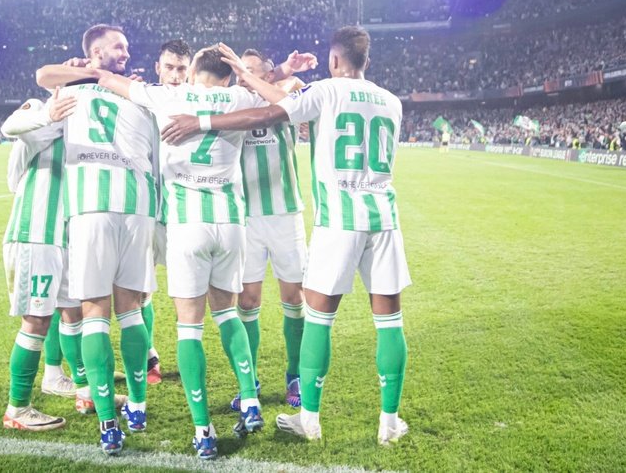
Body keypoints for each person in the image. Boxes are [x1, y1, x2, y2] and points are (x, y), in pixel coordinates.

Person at [161, 26, 412, 446]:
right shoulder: (392, 102)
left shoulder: (326, 90)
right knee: (389, 322)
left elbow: (267, 112)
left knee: (317, 317)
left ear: (334, 61)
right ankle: (390, 422)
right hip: (385, 218)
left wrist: (201, 120)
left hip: (338, 219)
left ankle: (309, 419)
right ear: (365, 60)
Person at [56, 43, 291, 459]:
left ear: (194, 68)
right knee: (228, 314)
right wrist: (252, 72)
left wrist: (86, 67)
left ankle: (201, 430)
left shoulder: (170, 95)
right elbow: (281, 101)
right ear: (228, 73)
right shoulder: (239, 96)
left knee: (187, 328)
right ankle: (250, 398)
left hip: (186, 223)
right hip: (231, 222)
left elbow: (108, 81)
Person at [33, 24, 157, 455]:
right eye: (119, 46)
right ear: (96, 51)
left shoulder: (70, 93)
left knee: (94, 313)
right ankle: (137, 405)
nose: (126, 52)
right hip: (138, 204)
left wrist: (77, 73)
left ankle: (109, 420)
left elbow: (41, 77)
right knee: (132, 310)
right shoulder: (134, 93)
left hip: (91, 206)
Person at [0, 97, 91, 432]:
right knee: (36, 320)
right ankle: (17, 408)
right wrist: (48, 113)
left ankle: (81, 387)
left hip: (64, 236)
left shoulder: (85, 121)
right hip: (36, 233)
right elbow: (10, 127)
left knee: (73, 309)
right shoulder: (43, 112)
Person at [233, 48, 316, 411]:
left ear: (267, 75)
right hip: (246, 219)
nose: (243, 76)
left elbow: (288, 90)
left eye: (251, 71)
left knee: (293, 299)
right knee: (247, 301)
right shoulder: (232, 105)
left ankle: (294, 374)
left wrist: (283, 75)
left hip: (285, 215)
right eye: (240, 70)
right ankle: (247, 380)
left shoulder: (286, 101)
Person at [143, 38, 194, 385]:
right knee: (141, 289)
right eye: (170, 68)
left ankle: (188, 353)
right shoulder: (141, 101)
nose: (175, 76)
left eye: (182, 69)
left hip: (182, 214)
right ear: (157, 68)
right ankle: (149, 359)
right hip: (144, 211)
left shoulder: (199, 101)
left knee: (185, 290)